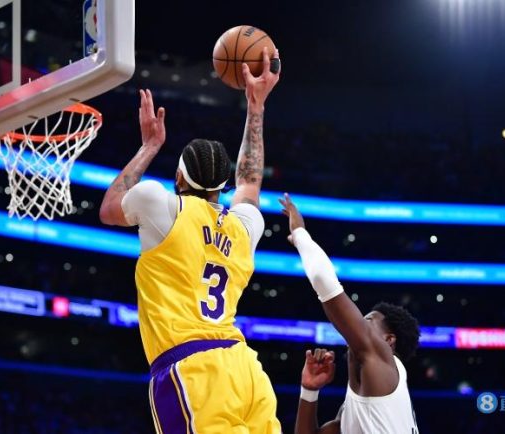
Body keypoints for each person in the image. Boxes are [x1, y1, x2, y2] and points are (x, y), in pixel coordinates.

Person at [99, 48, 281, 433]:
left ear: (179, 178)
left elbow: (109, 208)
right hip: (246, 370)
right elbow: (250, 181)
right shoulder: (244, 225)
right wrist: (256, 106)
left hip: (193, 369)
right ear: (221, 186)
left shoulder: (160, 204)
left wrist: (149, 147)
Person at [279, 193, 420, 434]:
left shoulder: (385, 364)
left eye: (367, 321)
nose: (357, 323)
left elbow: (323, 279)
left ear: (388, 341)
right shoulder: (363, 404)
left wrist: (300, 234)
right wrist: (309, 391)